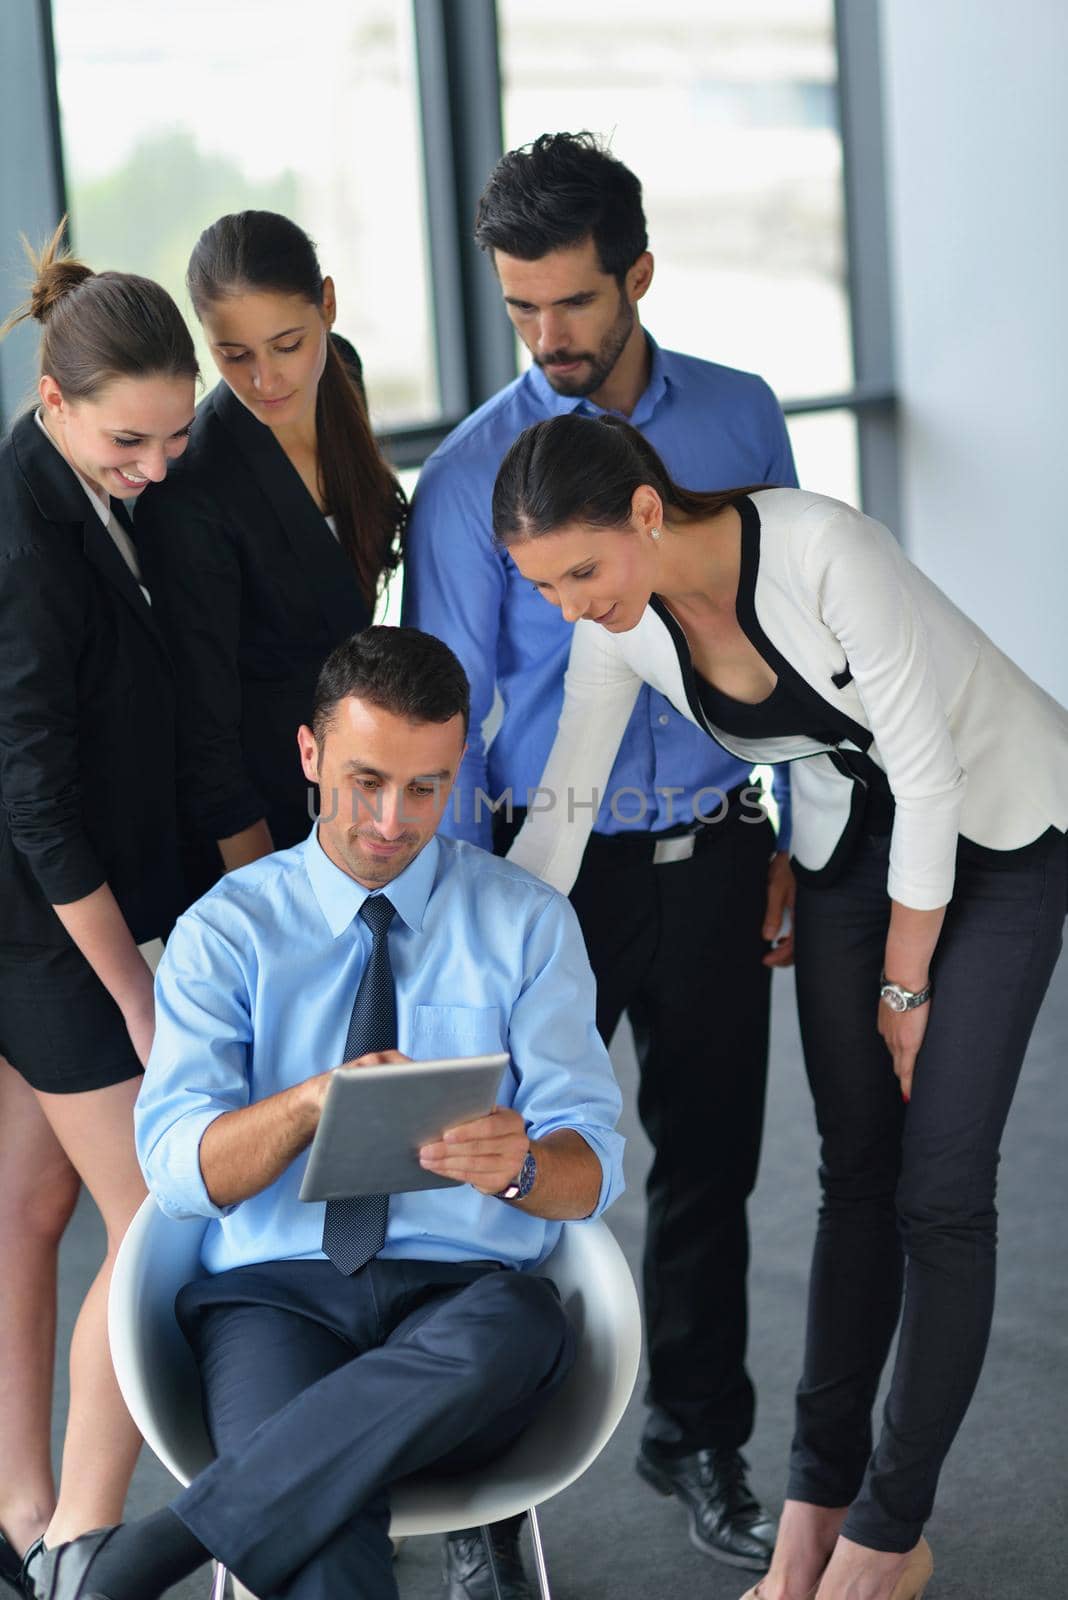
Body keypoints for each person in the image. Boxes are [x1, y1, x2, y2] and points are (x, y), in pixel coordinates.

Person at [492, 411, 1068, 1600]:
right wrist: (489, 971)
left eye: (580, 572)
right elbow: (565, 808)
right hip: (852, 842)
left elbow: (929, 772)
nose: (569, 608)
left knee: (941, 1190)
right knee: (854, 1172)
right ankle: (814, 1519)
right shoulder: (625, 631)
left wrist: (906, 986)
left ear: (646, 513)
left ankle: (887, 1537)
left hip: (1003, 826)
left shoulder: (821, 549)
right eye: (543, 587)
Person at [27, 625, 625, 1600]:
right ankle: (263, 1495)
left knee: (518, 1321)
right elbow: (179, 1171)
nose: (393, 819)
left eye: (428, 787)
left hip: (465, 1300)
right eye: (365, 781)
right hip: (275, 1300)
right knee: (324, 1535)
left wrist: (519, 1164)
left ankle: (175, 1542)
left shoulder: (527, 922)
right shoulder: (224, 931)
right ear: (309, 756)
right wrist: (310, 1104)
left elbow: (592, 1166)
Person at [403, 130, 796, 1586]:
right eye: (519, 309)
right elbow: (445, 713)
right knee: (495, 1181)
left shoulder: (746, 423)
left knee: (709, 1170)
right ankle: (481, 1500)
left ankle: (699, 1438)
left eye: (571, 302)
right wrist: (454, 926)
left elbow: (788, 654)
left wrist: (791, 838)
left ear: (637, 274)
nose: (547, 338)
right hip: (532, 881)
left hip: (709, 852)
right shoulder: (462, 481)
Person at [0, 223, 197, 1592]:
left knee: (27, 1207)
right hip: (48, 930)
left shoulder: (81, 487)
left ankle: (15, 1511)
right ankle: (81, 1537)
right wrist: (132, 988)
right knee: (155, 1219)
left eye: (174, 437)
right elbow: (39, 802)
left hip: (48, 917)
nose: (158, 467)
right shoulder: (20, 536)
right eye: (130, 443)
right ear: (54, 402)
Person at [136, 209, 407, 896]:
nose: (265, 380)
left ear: (329, 304)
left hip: (368, 785)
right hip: (270, 822)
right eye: (233, 356)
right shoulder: (192, 488)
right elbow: (206, 730)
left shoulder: (343, 372)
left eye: (287, 344)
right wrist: (267, 898)